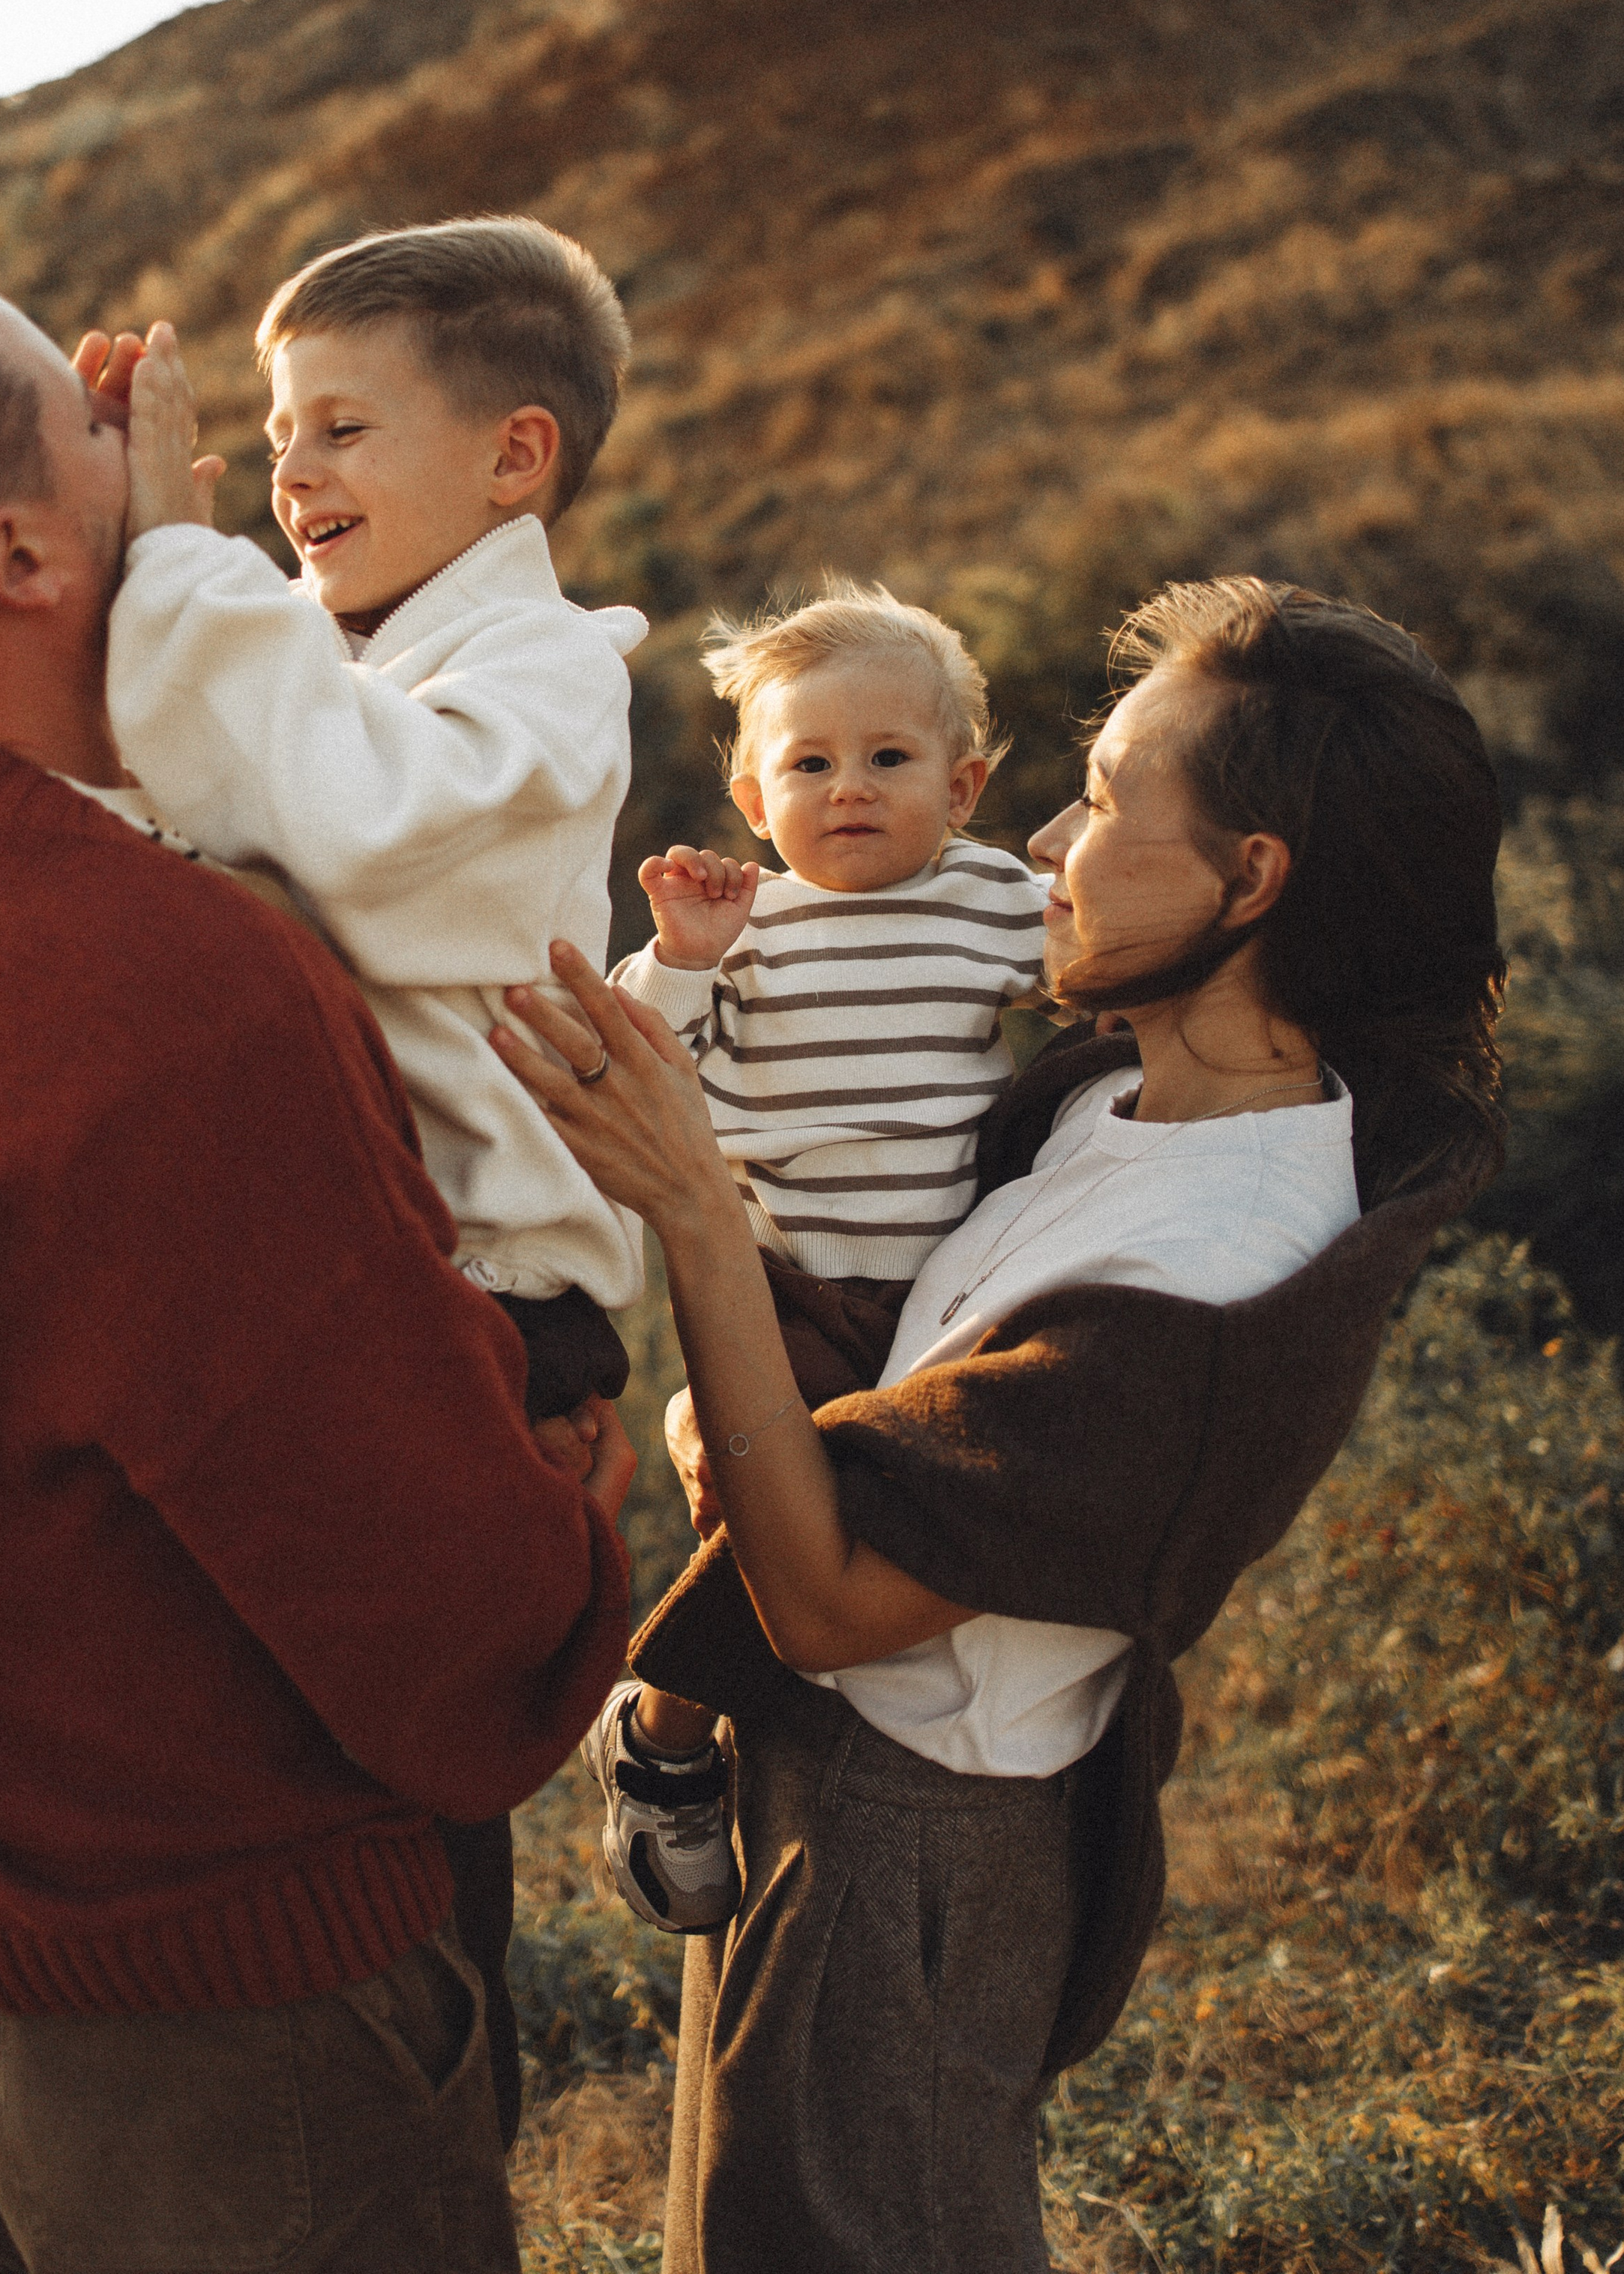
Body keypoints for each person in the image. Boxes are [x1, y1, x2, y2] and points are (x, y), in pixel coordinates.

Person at [0, 218, 634, 2274]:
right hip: (223, 2049)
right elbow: (454, 1627)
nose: (165, 435)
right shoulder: (176, 983)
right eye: (101, 414)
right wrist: (572, 1516)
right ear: (28, 559)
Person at [493, 577, 1505, 2274]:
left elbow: (824, 1602)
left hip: (913, 1837)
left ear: (1251, 881)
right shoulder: (1102, 1091)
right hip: (814, 1774)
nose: (1042, 842)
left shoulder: (1204, 1276)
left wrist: (691, 1214)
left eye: (1104, 802)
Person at [92, 217, 649, 2130]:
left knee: (410, 1794)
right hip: (354, 1289)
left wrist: (174, 552)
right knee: (290, 1744)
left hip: (491, 1313)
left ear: (513, 459)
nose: (286, 475)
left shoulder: (547, 674)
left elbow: (368, 835)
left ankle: (420, 2161)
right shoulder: (346, 657)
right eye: (265, 434)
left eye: (338, 427)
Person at [592, 584, 1047, 1928]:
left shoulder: (989, 901)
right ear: (751, 795)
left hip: (943, 1293)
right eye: (808, 763)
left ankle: (725, 1722)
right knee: (772, 1509)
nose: (848, 789)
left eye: (889, 760)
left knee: (889, 1520)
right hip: (780, 1280)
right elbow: (648, 1056)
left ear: (961, 788)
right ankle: (664, 1738)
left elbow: (1099, 965)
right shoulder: (752, 929)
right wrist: (683, 958)